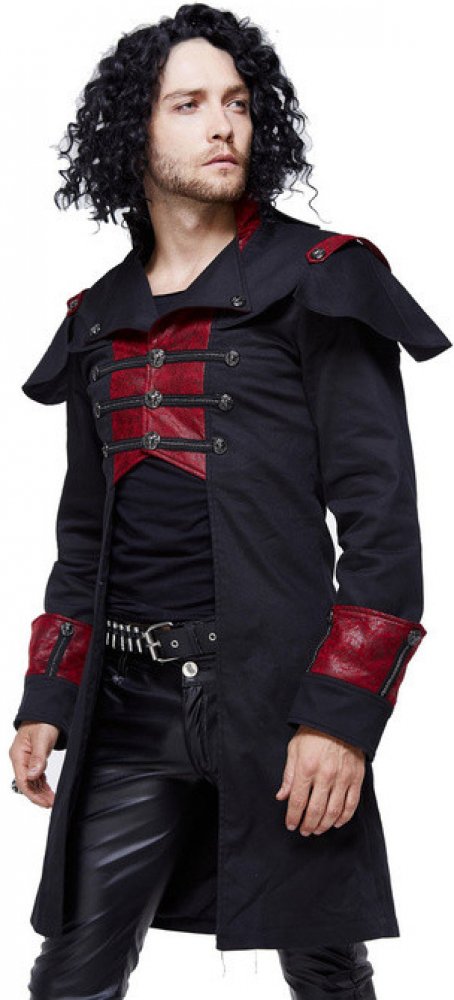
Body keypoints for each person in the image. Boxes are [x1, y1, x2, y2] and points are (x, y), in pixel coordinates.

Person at [9, 5, 452, 998]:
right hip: (126, 706)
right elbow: (83, 538)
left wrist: (340, 717)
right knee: (72, 973)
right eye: (189, 104)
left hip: (278, 696)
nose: (223, 125)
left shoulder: (321, 279)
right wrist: (46, 700)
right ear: (134, 132)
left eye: (239, 103)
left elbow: (381, 522)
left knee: (324, 964)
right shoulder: (97, 320)